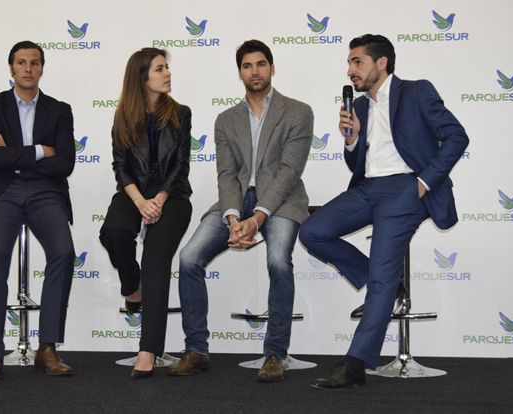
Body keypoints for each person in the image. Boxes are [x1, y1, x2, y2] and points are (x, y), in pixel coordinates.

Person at [299, 34, 469, 389]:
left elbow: (457, 136)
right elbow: (355, 163)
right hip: (367, 189)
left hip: (406, 189)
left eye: (356, 62)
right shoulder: (359, 108)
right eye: (349, 63)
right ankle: (390, 286)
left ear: (381, 63)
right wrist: (351, 140)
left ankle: (356, 364)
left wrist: (425, 181)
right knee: (312, 231)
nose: (350, 70)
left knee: (380, 277)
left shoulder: (416, 91)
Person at [168, 39, 314, 382]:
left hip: (282, 200)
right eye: (247, 66)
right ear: (240, 73)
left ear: (272, 68)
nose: (255, 71)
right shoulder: (225, 120)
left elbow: (289, 172)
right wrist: (234, 218)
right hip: (235, 200)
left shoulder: (298, 111)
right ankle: (197, 350)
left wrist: (257, 217)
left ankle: (275, 354)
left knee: (278, 260)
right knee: (189, 258)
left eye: (261, 64)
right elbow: (226, 174)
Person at [0, 41, 76, 383]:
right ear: (11, 68)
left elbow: (65, 163)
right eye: (21, 62)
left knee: (63, 251)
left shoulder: (60, 110)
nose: (28, 68)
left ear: (42, 68)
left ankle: (47, 348)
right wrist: (38, 151)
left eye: (34, 62)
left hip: (46, 192)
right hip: (3, 191)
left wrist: (15, 154)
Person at [99, 48, 192, 379]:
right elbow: (120, 167)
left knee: (155, 259)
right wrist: (140, 202)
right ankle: (131, 283)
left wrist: (160, 199)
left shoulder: (181, 113)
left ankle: (148, 349)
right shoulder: (123, 116)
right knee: (113, 231)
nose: (167, 73)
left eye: (167, 68)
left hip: (174, 196)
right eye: (159, 69)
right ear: (142, 76)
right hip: (134, 192)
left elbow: (180, 166)